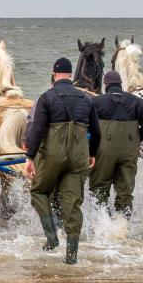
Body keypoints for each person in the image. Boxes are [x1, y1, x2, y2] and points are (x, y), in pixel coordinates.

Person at [23, 57, 101, 265]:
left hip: (53, 155)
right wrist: (91, 153)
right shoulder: (86, 99)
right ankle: (71, 257)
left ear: (55, 74)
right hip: (78, 157)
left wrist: (30, 157)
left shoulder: (47, 98)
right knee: (73, 204)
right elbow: (97, 132)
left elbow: (37, 130)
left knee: (39, 191)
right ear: (70, 74)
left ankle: (51, 237)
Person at [89, 70, 143, 216]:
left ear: (106, 85)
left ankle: (104, 223)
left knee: (99, 189)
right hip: (129, 151)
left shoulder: (96, 102)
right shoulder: (136, 102)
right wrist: (135, 138)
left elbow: (84, 124)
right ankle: (123, 226)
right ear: (120, 84)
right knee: (125, 191)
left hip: (104, 152)